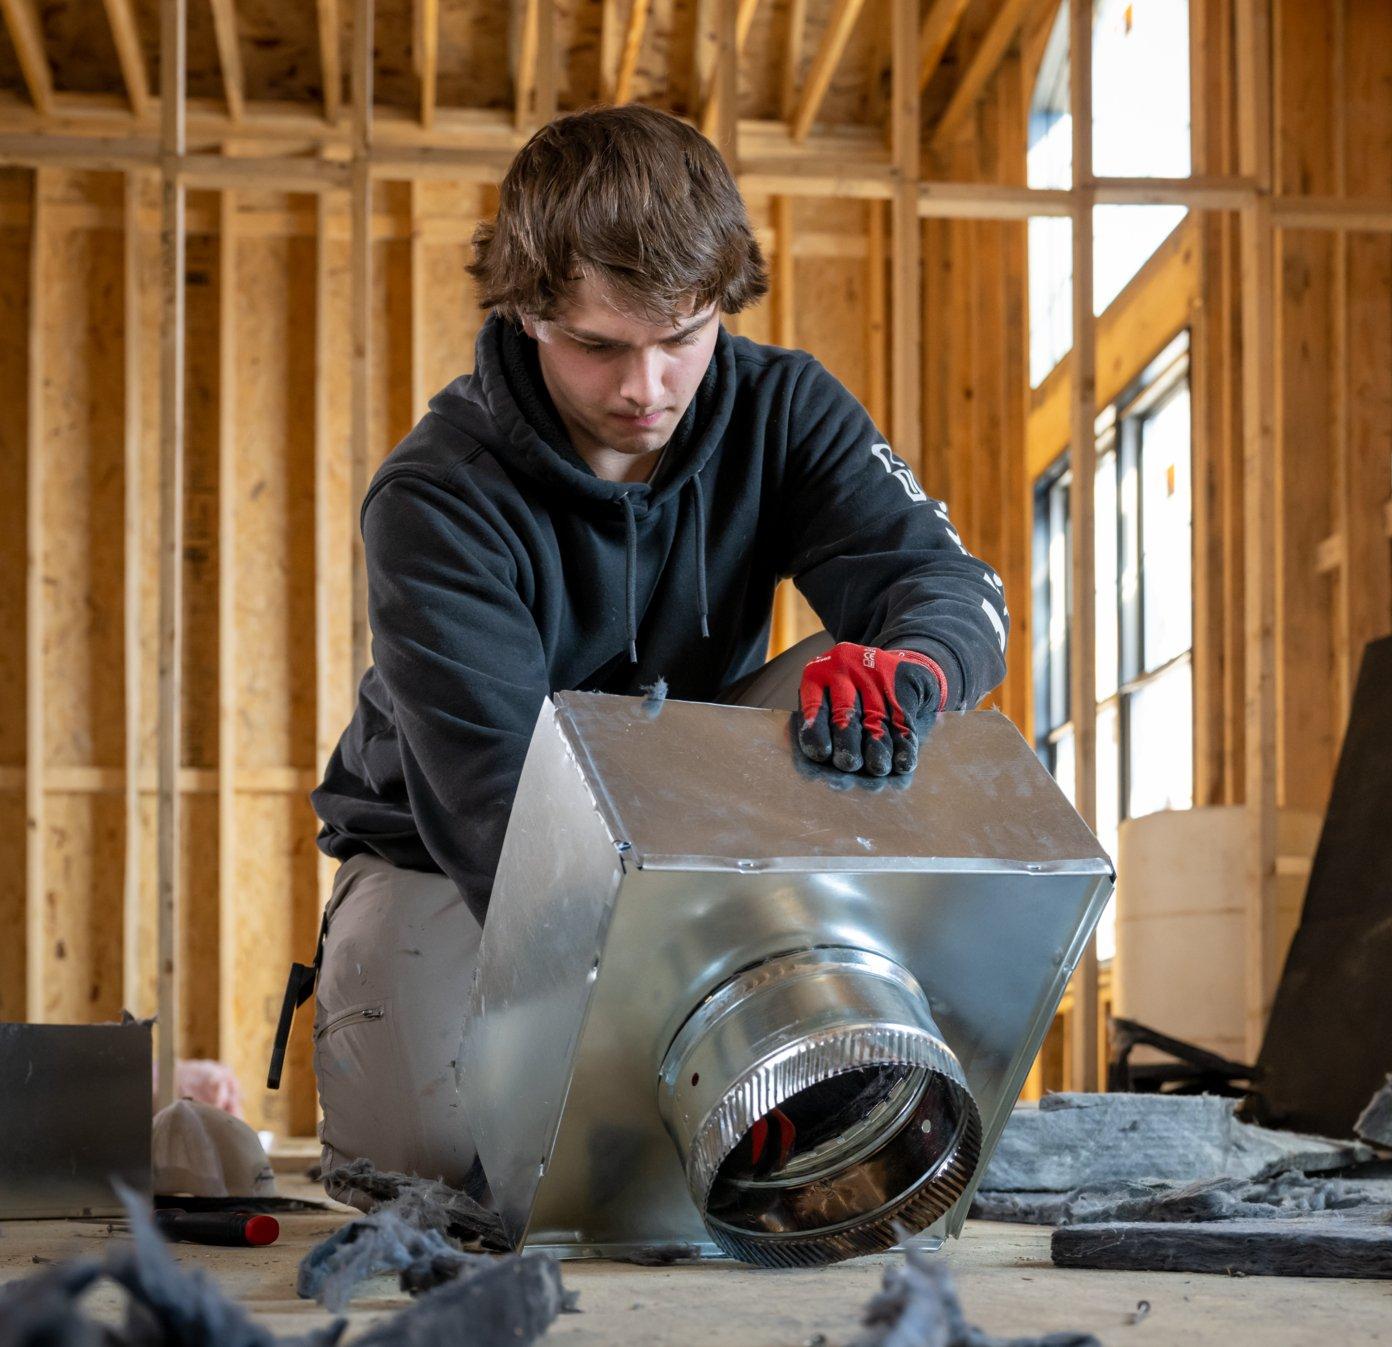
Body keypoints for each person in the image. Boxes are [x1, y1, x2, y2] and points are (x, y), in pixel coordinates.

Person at [280, 105, 1009, 1191]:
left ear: (723, 305)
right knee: (437, 1167)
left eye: (681, 338)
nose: (646, 389)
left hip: (691, 817)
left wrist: (918, 674)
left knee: (838, 676)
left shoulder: (784, 405)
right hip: (452, 854)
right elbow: (503, 816)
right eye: (599, 346)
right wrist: (694, 1038)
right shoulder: (435, 497)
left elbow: (947, 586)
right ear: (527, 312)